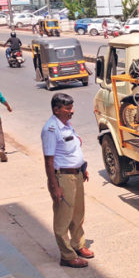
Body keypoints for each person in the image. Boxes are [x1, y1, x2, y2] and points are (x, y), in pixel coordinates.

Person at [41, 93, 94, 268]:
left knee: (78, 214)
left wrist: (83, 168)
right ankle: (67, 255)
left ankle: (78, 244)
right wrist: (54, 186)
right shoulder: (51, 129)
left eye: (72, 107)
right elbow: (49, 160)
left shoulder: (67, 125)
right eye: (68, 108)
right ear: (56, 110)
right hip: (63, 178)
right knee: (63, 218)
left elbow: (73, 149)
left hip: (76, 174)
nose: (72, 111)